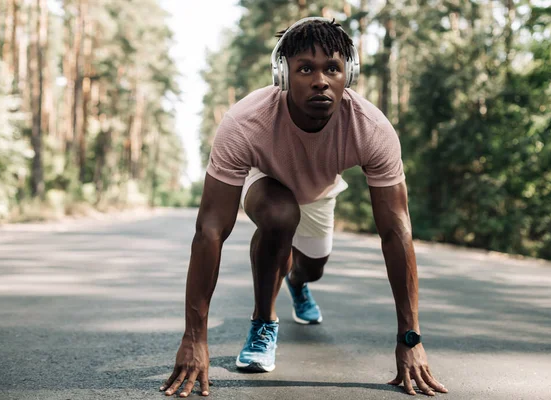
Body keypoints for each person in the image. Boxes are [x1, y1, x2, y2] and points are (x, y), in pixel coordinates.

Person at [160, 17, 448, 398]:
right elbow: (210, 229)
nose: (320, 80)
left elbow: (396, 232)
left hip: (320, 192)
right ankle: (264, 321)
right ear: (282, 75)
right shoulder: (246, 123)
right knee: (281, 217)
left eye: (332, 68)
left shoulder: (371, 129)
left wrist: (410, 338)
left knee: (312, 267)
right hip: (264, 181)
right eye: (305, 69)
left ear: (350, 74)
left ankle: (296, 282)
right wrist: (195, 338)